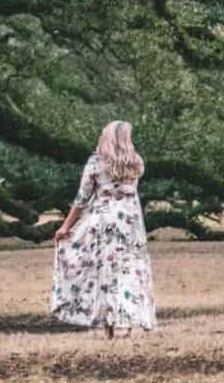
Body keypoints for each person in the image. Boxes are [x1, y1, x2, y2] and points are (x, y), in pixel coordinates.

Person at [50, 118, 156, 335]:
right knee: (128, 271)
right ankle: (125, 322)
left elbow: (82, 199)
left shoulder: (96, 162)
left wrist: (65, 226)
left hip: (103, 222)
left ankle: (107, 324)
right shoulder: (136, 163)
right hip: (130, 224)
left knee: (104, 273)